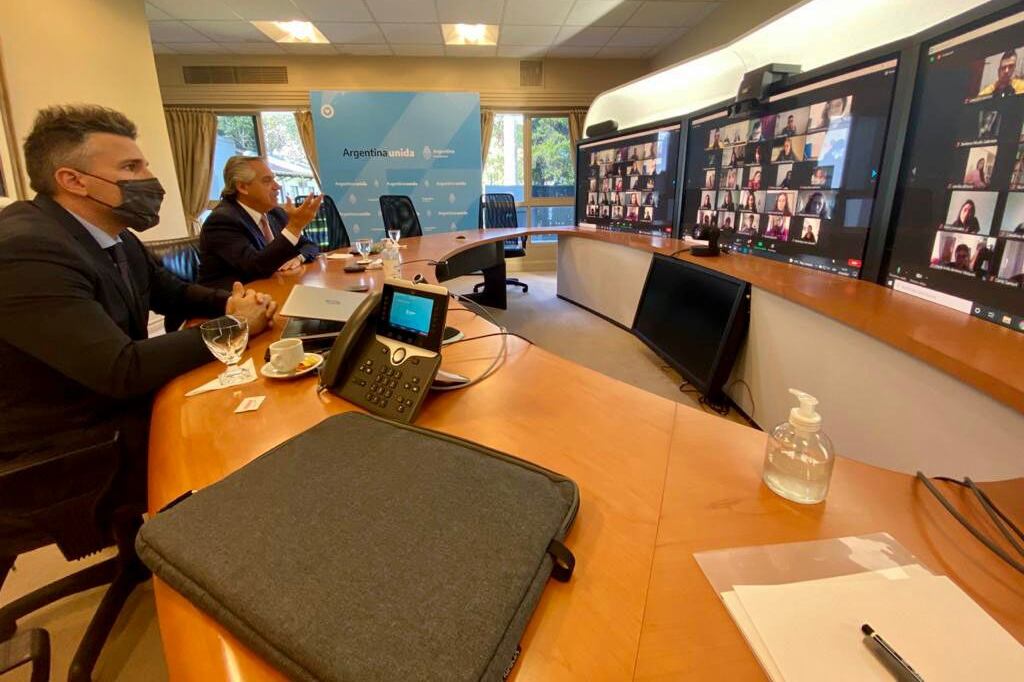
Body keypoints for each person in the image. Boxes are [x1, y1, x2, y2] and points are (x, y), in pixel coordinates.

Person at [0, 104, 277, 506]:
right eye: (131, 168)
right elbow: (121, 368)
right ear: (73, 180)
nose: (150, 179)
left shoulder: (114, 233)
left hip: (108, 403)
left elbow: (173, 293)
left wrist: (234, 302)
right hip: (64, 439)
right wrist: (236, 326)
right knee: (234, 441)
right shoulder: (27, 249)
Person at [198, 157, 321, 290]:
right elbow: (255, 267)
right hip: (233, 302)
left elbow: (309, 245)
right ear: (242, 187)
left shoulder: (275, 213)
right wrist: (294, 227)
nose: (277, 186)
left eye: (274, 179)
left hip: (272, 289)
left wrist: (299, 258)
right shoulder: (222, 220)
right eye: (267, 180)